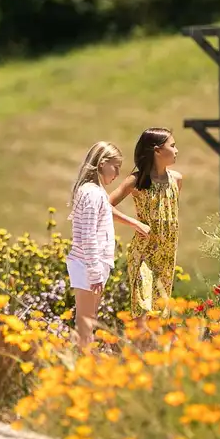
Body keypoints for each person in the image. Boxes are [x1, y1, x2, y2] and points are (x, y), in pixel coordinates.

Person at [67, 141, 147, 347]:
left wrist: (134, 223)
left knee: (89, 320)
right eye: (115, 167)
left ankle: (84, 358)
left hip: (92, 263)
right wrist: (94, 270)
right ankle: (81, 362)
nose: (118, 173)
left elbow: (105, 213)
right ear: (102, 163)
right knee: (85, 322)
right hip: (87, 263)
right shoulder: (92, 193)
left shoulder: (94, 191)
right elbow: (88, 235)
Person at [110, 127, 182, 317]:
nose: (176, 151)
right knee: (143, 310)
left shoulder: (177, 180)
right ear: (157, 150)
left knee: (161, 313)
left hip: (167, 255)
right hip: (144, 253)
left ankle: (153, 347)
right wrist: (135, 224)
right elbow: (104, 206)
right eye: (172, 146)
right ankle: (138, 346)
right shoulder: (136, 181)